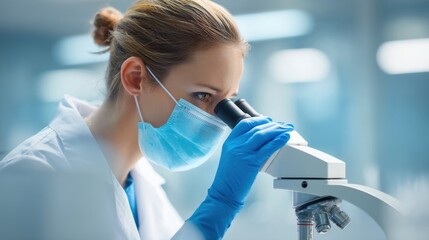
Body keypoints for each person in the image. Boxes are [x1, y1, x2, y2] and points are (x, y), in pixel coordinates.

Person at [0, 0, 294, 239]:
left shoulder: (142, 185)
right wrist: (220, 205)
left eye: (227, 102)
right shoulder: (33, 174)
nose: (216, 121)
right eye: (203, 96)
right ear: (135, 78)